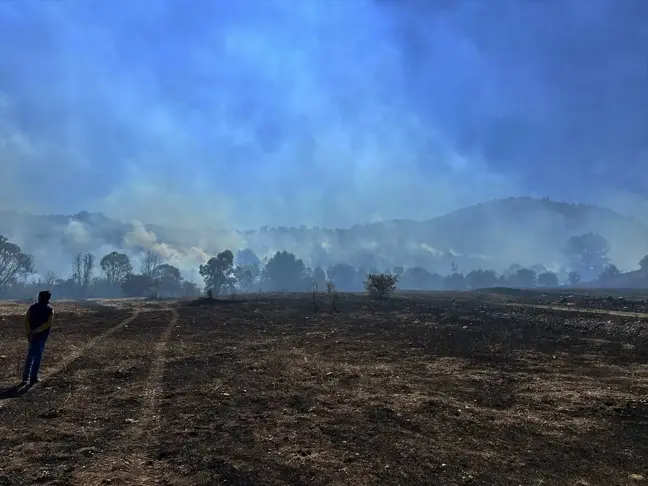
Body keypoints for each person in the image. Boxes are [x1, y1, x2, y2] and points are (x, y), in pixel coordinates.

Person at [22, 290, 54, 386]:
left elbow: (26, 319)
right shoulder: (50, 309)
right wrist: (38, 330)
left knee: (30, 355)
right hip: (41, 336)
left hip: (31, 335)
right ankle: (33, 377)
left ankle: (25, 377)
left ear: (40, 297)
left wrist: (29, 331)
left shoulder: (32, 307)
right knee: (37, 356)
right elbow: (48, 323)